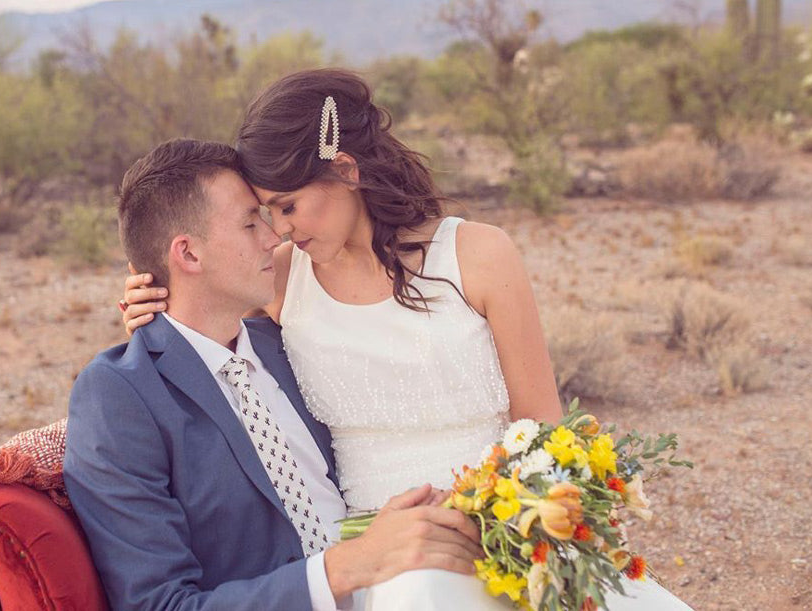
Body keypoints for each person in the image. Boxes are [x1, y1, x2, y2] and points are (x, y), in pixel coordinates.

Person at [120, 70, 693, 609]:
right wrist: (149, 302)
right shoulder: (285, 278)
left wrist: (502, 518)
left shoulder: (478, 256)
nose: (279, 229)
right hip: (379, 545)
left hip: (506, 522)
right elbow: (200, 332)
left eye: (288, 206)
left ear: (345, 170)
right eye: (266, 213)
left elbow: (541, 423)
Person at [65, 138, 486, 610]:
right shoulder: (119, 395)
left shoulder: (290, 341)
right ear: (189, 255)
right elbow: (158, 604)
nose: (274, 238)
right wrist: (347, 567)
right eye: (251, 223)